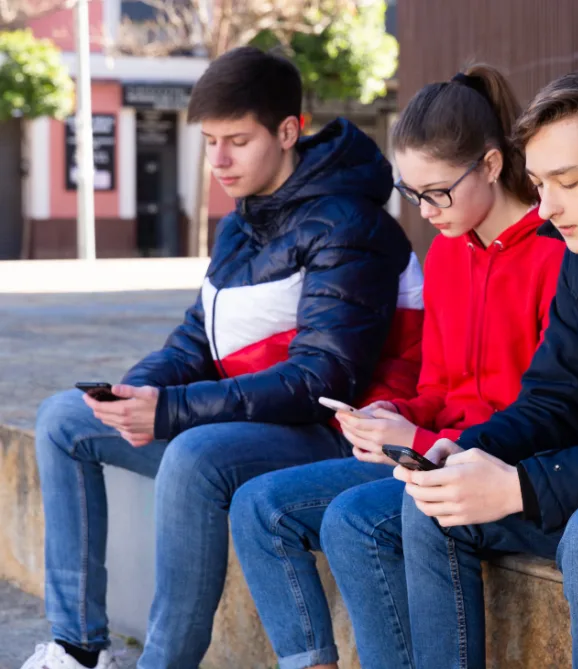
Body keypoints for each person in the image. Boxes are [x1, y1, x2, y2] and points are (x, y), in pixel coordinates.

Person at [22, 46, 422, 669]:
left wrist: (174, 411)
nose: (219, 160)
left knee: (192, 453)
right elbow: (196, 340)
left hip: (334, 436)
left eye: (236, 140)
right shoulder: (242, 223)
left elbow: (323, 378)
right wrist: (138, 394)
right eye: (209, 141)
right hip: (254, 426)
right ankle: (77, 648)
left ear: (288, 131)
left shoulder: (349, 224)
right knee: (64, 418)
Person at [325, 70, 578, 669]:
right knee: (436, 505)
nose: (546, 208)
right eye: (540, 183)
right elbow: (555, 397)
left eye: (566, 182)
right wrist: (466, 452)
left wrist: (521, 485)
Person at [228, 63, 565, 669]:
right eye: (412, 194)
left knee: (355, 521)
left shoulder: (552, 255)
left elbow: (544, 413)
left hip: (495, 467)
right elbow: (437, 386)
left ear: (490, 165)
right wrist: (390, 415)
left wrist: (419, 438)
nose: (426, 210)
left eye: (438, 192)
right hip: (428, 457)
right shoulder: (445, 255)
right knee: (260, 505)